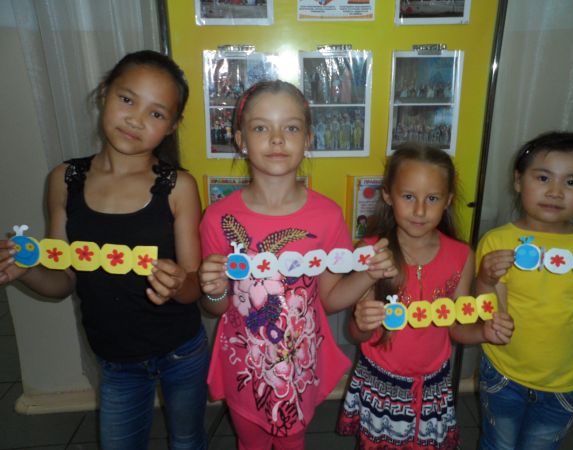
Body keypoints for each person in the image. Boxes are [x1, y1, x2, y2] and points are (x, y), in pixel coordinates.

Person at [0, 50, 210, 450]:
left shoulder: (177, 186)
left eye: (156, 113)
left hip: (181, 351)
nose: (135, 119)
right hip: (116, 360)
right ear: (103, 93)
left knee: (187, 440)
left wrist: (178, 284)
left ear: (171, 126)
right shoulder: (64, 179)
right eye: (127, 99)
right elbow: (62, 280)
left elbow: (194, 286)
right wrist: (25, 270)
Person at [198, 80, 397, 450]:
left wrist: (368, 274)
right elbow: (217, 308)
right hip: (245, 364)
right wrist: (212, 290)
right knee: (250, 442)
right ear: (240, 140)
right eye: (261, 128)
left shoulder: (327, 215)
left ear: (307, 139)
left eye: (290, 128)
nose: (277, 139)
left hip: (299, 364)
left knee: (293, 441)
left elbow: (331, 299)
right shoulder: (217, 218)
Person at [337, 143, 514, 449]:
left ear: (448, 201)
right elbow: (356, 333)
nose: (420, 210)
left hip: (434, 384)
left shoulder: (461, 255)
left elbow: (457, 326)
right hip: (382, 380)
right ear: (388, 195)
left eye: (432, 198)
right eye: (408, 196)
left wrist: (483, 332)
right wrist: (361, 323)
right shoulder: (371, 252)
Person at [475, 131, 573, 450]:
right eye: (543, 178)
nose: (555, 192)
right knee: (498, 445)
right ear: (519, 181)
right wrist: (486, 280)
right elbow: (488, 312)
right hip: (503, 372)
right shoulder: (498, 241)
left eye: (572, 182)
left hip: (565, 381)